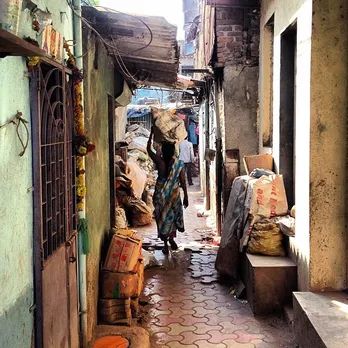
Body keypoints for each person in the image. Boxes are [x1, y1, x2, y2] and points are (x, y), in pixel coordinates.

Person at [147, 127, 189, 254]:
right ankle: (171, 238)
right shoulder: (178, 164)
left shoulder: (159, 162)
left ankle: (165, 243)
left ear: (163, 151)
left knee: (162, 217)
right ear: (173, 151)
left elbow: (149, 150)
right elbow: (183, 181)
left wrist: (151, 134)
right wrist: (186, 196)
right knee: (172, 217)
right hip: (174, 195)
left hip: (161, 195)